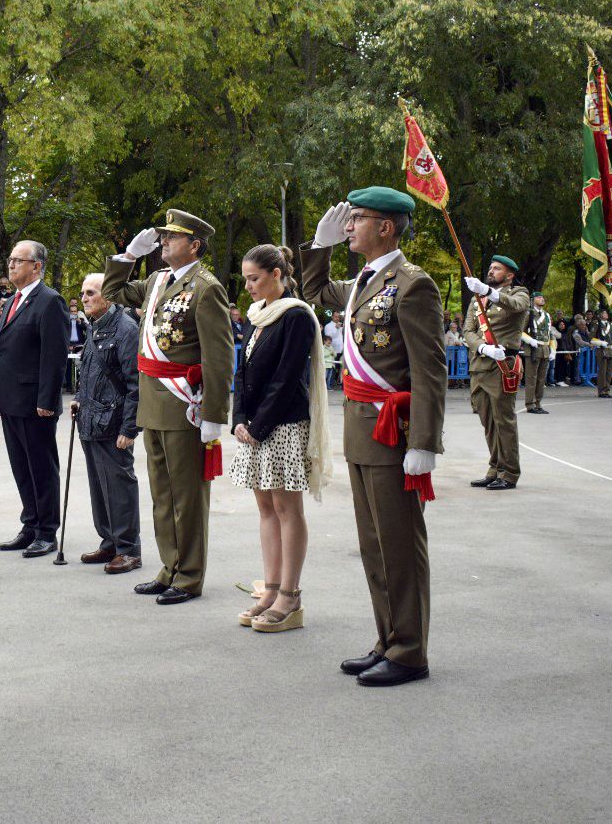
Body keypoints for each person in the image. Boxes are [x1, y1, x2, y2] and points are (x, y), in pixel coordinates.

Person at [301, 188, 444, 687]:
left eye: (356, 219)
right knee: (374, 544)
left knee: (400, 545)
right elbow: (314, 294)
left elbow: (430, 371)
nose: (349, 226)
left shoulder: (412, 285)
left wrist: (424, 443)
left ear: (385, 227)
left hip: (394, 432)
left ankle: (409, 651)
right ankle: (387, 638)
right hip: (361, 431)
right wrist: (318, 248)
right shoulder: (364, 281)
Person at [103, 210, 233, 606]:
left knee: (187, 496)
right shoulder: (158, 281)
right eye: (161, 236)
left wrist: (214, 414)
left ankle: (190, 575)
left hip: (183, 404)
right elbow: (113, 292)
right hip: (153, 402)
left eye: (172, 237)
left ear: (194, 245)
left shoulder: (206, 287)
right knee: (162, 493)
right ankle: (169, 567)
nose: (163, 243)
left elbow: (219, 355)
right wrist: (126, 256)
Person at [231, 244, 331, 633]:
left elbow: (287, 377)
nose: (248, 286)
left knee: (287, 509)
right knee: (265, 508)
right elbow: (243, 372)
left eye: (254, 278)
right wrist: (238, 418)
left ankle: (290, 594)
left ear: (276, 275)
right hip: (254, 427)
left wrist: (257, 427)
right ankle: (270, 589)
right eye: (245, 279)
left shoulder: (296, 316)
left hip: (284, 425)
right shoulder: (256, 316)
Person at [0, 240, 70, 559]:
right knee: (21, 467)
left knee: (41, 467)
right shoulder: (12, 301)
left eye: (18, 261)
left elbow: (54, 355)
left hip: (36, 402)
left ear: (36, 266)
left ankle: (47, 531)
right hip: (10, 399)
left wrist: (47, 399)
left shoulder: (50, 301)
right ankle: (31, 524)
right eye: (10, 260)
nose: (11, 265)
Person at [69, 272, 142, 574]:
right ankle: (109, 542)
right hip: (90, 418)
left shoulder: (125, 328)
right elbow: (89, 368)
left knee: (119, 485)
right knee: (99, 485)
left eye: (90, 293)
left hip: (113, 422)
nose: (84, 299)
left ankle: (128, 550)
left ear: (108, 296)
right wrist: (78, 397)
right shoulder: (93, 327)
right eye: (83, 293)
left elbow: (135, 382)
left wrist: (129, 428)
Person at [462, 257, 530, 490]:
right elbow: (468, 331)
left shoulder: (519, 292)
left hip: (503, 365)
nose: (491, 271)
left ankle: (509, 473)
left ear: (509, 275)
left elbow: (516, 306)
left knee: (504, 421)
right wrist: (482, 347)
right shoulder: (477, 299)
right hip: (480, 364)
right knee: (488, 422)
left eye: (497, 269)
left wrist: (489, 292)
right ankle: (495, 468)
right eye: (490, 268)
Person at [591, 308, 612, 397]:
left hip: (611, 349)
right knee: (602, 371)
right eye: (604, 313)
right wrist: (600, 342)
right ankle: (601, 391)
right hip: (601, 350)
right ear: (600, 315)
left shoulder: (611, 325)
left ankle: (607, 390)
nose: (606, 314)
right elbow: (591, 338)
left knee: (609, 372)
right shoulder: (596, 324)